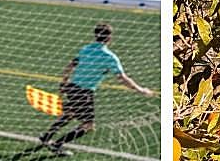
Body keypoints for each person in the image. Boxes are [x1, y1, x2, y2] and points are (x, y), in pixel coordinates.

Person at [38, 23, 155, 155]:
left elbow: (70, 66)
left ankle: (46, 137)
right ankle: (57, 145)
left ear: (95, 35)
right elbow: (122, 78)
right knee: (88, 126)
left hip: (71, 88)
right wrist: (141, 90)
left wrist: (63, 83)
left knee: (70, 113)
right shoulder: (109, 57)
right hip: (84, 92)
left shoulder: (86, 48)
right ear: (109, 38)